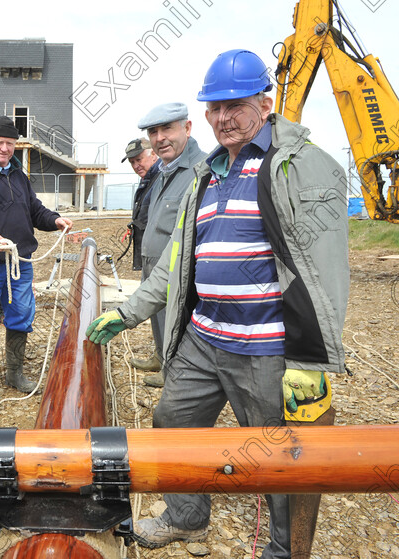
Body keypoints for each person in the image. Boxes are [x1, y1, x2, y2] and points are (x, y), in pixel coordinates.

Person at [87, 49, 349, 558]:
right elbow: (178, 257)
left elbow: (326, 268)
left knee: (281, 456)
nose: (224, 118)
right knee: (173, 425)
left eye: (237, 105)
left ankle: (283, 549)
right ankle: (186, 516)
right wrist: (130, 311)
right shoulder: (209, 175)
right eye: (215, 108)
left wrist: (312, 361)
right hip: (204, 340)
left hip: (268, 351)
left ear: (265, 102)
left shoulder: (301, 166)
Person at [0, 116, 72, 402]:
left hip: (20, 264)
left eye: (10, 143)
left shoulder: (19, 176)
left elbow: (35, 210)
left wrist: (55, 219)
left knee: (21, 316)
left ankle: (14, 372)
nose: (5, 149)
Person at [131, 102, 206, 387]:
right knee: (158, 317)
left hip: (177, 270)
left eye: (167, 129)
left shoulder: (201, 171)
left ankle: (174, 372)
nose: (160, 137)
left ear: (187, 128)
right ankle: (161, 357)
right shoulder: (164, 170)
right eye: (153, 131)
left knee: (176, 319)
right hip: (154, 263)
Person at [120, 137, 160, 272]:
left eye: (139, 159)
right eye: (132, 162)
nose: (136, 165)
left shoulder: (162, 179)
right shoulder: (148, 180)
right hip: (147, 256)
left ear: (153, 154)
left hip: (157, 258)